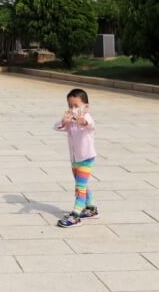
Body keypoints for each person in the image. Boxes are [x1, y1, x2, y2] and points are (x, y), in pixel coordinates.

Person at [54, 88, 98, 227]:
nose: (73, 109)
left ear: (86, 107)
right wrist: (64, 121)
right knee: (82, 185)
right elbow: (57, 127)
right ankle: (91, 209)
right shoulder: (71, 121)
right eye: (70, 106)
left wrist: (82, 121)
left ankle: (75, 215)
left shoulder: (86, 118)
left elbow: (90, 124)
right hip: (75, 159)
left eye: (76, 106)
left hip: (86, 158)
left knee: (80, 187)